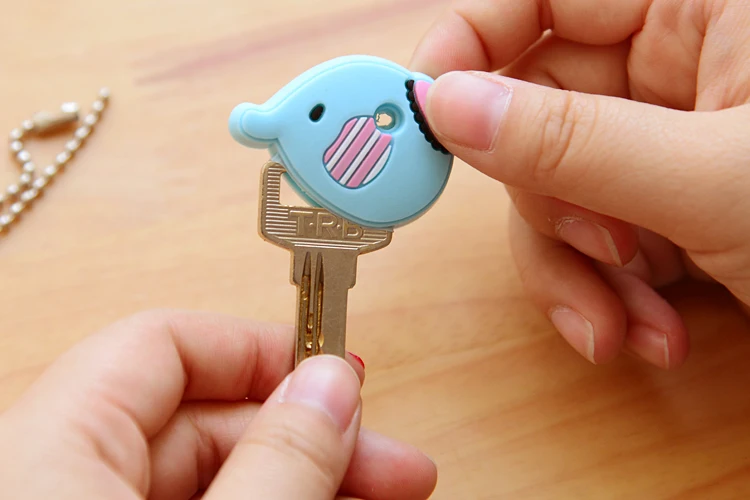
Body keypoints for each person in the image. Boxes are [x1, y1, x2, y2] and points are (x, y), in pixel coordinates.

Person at [2, 0, 750, 497]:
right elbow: (303, 211)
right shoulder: (332, 201)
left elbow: (338, 215)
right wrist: (279, 173)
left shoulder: (367, 182)